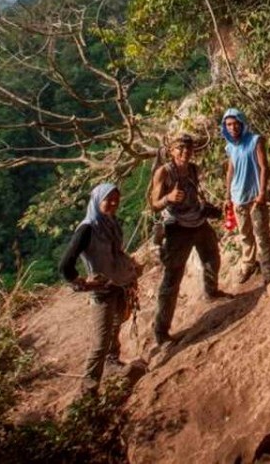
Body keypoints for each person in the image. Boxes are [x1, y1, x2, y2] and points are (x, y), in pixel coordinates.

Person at [147, 133, 229, 347]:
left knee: (212, 257)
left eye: (188, 148)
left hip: (198, 221)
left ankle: (211, 291)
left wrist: (205, 207)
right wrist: (168, 198)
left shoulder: (193, 169)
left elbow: (195, 192)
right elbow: (154, 203)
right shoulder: (164, 172)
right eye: (180, 148)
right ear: (171, 150)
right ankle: (161, 332)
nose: (185, 152)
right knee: (172, 279)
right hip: (177, 227)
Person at [59, 182, 141, 393]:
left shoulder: (110, 221)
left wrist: (130, 266)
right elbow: (65, 265)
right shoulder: (87, 229)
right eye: (108, 199)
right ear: (97, 201)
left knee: (116, 324)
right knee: (100, 341)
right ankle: (88, 389)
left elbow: (116, 251)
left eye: (116, 199)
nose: (113, 203)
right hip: (102, 290)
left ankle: (112, 363)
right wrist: (83, 283)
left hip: (120, 283)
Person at [220, 108, 270, 285]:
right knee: (244, 234)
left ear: (242, 123)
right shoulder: (230, 146)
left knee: (261, 232)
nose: (232, 127)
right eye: (228, 124)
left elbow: (264, 167)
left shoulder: (255, 140)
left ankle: (267, 265)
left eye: (235, 123)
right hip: (238, 197)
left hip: (254, 197)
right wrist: (228, 195)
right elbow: (231, 170)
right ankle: (249, 264)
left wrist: (262, 193)